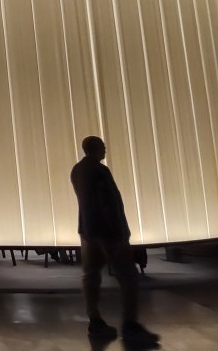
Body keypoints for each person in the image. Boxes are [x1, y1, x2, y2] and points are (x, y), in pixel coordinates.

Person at [70, 136, 159, 346]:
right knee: (128, 277)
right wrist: (120, 232)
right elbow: (108, 203)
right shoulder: (100, 171)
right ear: (96, 148)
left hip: (88, 230)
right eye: (103, 147)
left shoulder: (77, 170)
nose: (105, 150)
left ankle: (95, 320)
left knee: (91, 276)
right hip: (109, 232)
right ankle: (130, 324)